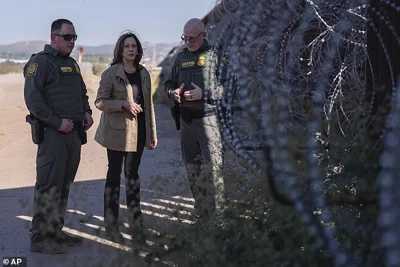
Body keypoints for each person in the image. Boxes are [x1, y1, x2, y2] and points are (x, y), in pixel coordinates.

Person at [23, 18, 94, 254]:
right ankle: (40, 239)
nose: (72, 42)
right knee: (48, 185)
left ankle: (55, 230)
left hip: (73, 134)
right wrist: (56, 122)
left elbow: (82, 92)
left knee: (64, 184)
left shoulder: (72, 64)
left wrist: (86, 112)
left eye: (74, 37)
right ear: (54, 38)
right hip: (53, 134)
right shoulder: (40, 63)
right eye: (67, 37)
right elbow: (34, 100)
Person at [94, 32, 157, 242]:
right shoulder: (111, 73)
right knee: (113, 178)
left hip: (138, 134)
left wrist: (152, 133)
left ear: (138, 50)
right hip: (116, 134)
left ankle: (137, 228)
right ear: (120, 50)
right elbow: (100, 102)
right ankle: (112, 227)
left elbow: (149, 106)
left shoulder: (144, 73)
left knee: (133, 178)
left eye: (134, 46)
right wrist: (123, 104)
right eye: (127, 46)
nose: (131, 49)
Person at [164, 18, 227, 226]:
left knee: (213, 170)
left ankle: (218, 219)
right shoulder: (181, 58)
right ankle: (202, 213)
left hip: (209, 121)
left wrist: (204, 93)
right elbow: (169, 84)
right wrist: (173, 93)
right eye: (185, 37)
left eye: (192, 38)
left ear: (204, 36)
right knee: (193, 170)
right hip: (187, 122)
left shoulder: (215, 56)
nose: (188, 41)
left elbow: (230, 88)